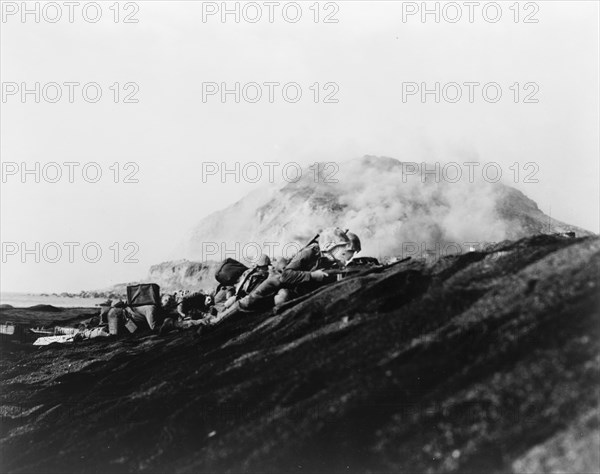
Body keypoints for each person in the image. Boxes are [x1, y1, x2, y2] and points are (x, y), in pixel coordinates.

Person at [213, 228, 361, 322]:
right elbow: (286, 276)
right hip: (274, 282)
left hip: (290, 287)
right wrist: (313, 276)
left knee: (282, 297)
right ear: (331, 246)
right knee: (247, 303)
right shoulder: (310, 252)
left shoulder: (329, 260)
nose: (345, 256)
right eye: (343, 250)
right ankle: (215, 321)